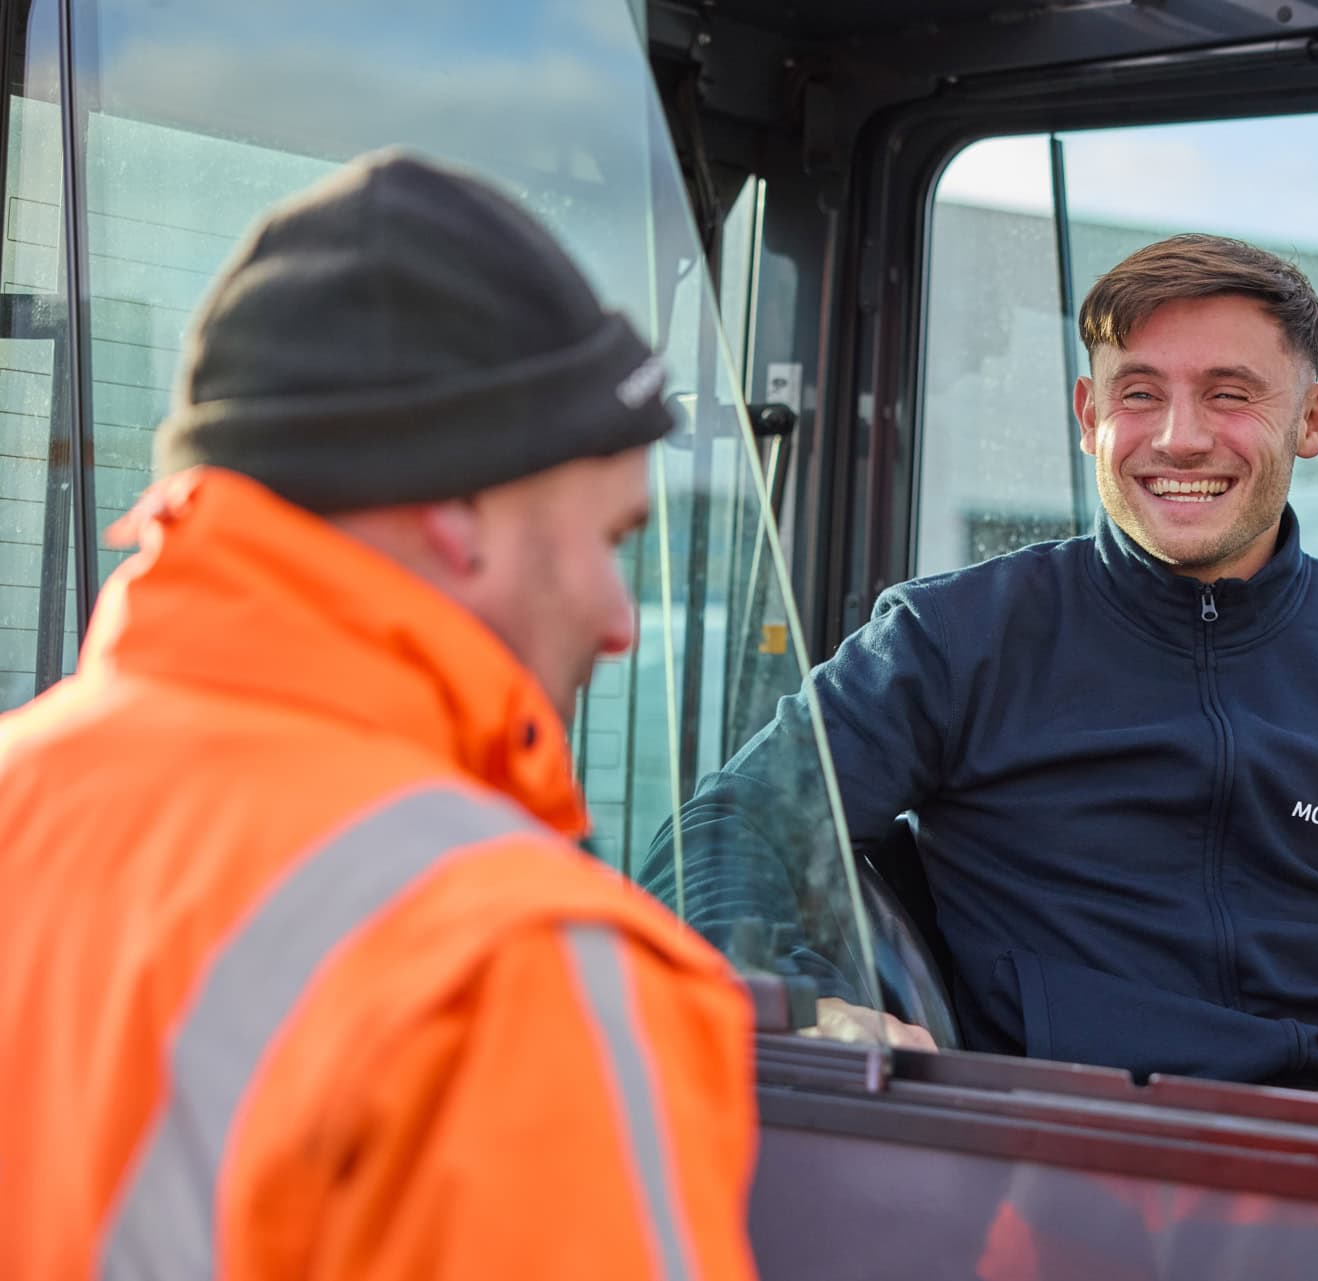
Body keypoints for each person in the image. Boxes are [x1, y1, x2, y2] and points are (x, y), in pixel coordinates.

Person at [653, 233, 1318, 1144]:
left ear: (1313, 418)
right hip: (1073, 1149)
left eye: (1231, 394)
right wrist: (812, 1006)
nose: (1180, 437)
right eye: (1139, 393)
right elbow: (729, 826)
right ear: (1089, 416)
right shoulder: (955, 640)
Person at [0, 152, 758, 1279]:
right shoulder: (506, 967)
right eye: (608, 542)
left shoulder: (22, 794)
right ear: (457, 513)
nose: (620, 622)